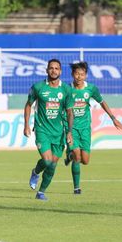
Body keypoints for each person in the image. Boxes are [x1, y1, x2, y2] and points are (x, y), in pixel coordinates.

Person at [63, 61, 122, 194]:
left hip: (85, 128)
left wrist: (113, 118)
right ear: (72, 75)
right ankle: (76, 188)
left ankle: (70, 155)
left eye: (82, 74)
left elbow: (102, 102)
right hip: (71, 128)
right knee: (78, 157)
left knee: (85, 160)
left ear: (85, 75)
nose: (79, 76)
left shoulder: (91, 89)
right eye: (77, 74)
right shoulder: (67, 89)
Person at [24, 59, 74, 201]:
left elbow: (70, 112)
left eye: (56, 68)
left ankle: (41, 192)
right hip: (42, 130)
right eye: (51, 68)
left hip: (59, 133)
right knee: (46, 161)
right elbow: (28, 105)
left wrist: (69, 131)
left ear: (60, 71)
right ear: (46, 70)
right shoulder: (38, 87)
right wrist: (26, 125)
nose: (53, 70)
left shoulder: (66, 89)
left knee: (52, 164)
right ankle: (35, 172)